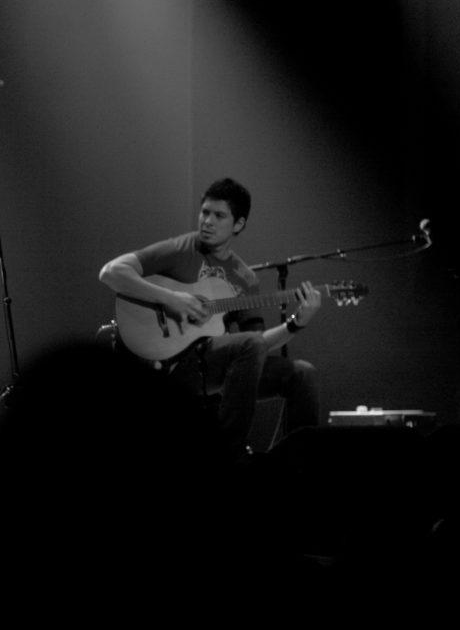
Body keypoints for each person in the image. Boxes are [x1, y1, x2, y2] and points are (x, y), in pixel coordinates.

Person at [99, 177, 322, 458]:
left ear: (238, 224)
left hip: (220, 368)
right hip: (176, 366)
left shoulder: (244, 278)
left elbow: (259, 343)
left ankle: (300, 462)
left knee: (303, 373)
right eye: (205, 212)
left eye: (219, 215)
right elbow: (111, 272)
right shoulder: (181, 248)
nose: (207, 221)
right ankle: (229, 453)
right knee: (249, 345)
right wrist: (171, 298)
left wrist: (295, 323)